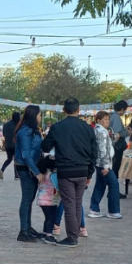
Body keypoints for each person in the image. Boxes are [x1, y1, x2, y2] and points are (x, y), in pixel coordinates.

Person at [40, 98, 97, 248]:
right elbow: (93, 152)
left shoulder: (58, 127)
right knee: (77, 204)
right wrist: (90, 173)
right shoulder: (87, 128)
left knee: (69, 204)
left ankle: (72, 237)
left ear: (64, 110)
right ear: (79, 110)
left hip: (66, 170)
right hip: (83, 171)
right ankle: (75, 232)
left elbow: (45, 146)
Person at [14, 105, 44, 243]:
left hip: (31, 167)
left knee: (30, 199)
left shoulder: (33, 131)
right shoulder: (25, 132)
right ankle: (23, 231)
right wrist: (36, 172)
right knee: (26, 199)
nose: (40, 117)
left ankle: (28, 227)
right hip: (26, 169)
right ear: (34, 116)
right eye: (39, 115)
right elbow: (26, 155)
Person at [89, 110, 122, 219]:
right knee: (114, 184)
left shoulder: (99, 130)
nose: (107, 121)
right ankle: (113, 210)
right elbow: (102, 149)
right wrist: (106, 166)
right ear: (99, 120)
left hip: (100, 163)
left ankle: (94, 209)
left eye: (108, 119)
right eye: (105, 119)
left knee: (100, 185)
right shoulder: (102, 132)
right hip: (103, 163)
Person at [36, 155, 60, 245]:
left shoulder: (43, 173)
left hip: (42, 199)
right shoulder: (53, 175)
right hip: (50, 199)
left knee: (47, 217)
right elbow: (57, 186)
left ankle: (45, 232)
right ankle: (49, 235)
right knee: (51, 217)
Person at [110, 100, 129, 198]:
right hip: (116, 148)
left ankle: (112, 191)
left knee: (114, 169)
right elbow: (117, 134)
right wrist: (126, 132)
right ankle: (114, 191)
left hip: (113, 147)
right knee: (115, 170)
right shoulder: (116, 118)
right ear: (122, 109)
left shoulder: (112, 116)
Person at [0, 111, 21, 180]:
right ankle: (16, 175)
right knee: (16, 159)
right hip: (16, 144)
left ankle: (2, 169)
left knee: (9, 159)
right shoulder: (19, 125)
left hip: (8, 144)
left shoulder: (6, 125)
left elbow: (4, 134)